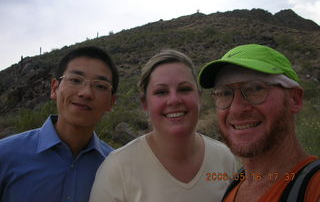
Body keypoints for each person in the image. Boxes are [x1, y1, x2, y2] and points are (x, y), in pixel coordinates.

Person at [89, 49, 237, 202]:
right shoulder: (117, 169)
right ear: (145, 103)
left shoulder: (224, 158)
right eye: (161, 92)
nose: (174, 100)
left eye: (184, 89)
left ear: (199, 97)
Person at [198, 44, 320, 202]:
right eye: (225, 93)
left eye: (255, 88)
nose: (236, 109)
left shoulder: (313, 189)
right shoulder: (235, 185)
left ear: (294, 99)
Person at [0, 46, 118, 202]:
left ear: (111, 102)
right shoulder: (6, 155)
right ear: (55, 88)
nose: (86, 93)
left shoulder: (116, 167)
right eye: (75, 80)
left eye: (100, 86)